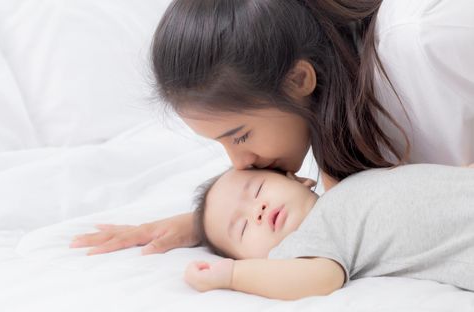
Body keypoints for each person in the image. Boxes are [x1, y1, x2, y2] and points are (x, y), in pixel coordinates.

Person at [69, 0, 474, 256]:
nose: (239, 163)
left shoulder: (428, 34)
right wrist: (212, 225)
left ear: (299, 80)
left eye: (239, 136)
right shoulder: (342, 110)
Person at [184, 165, 474, 300]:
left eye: (257, 189)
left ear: (299, 179)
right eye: (243, 228)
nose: (256, 211)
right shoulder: (306, 243)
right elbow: (321, 278)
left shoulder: (346, 183)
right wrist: (233, 275)